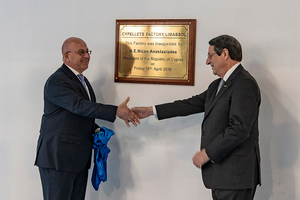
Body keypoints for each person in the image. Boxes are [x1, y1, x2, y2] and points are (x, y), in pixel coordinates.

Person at [132, 35, 261, 200]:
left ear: (225, 54)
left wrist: (207, 153)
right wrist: (151, 111)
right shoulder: (217, 85)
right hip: (223, 176)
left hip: (235, 176)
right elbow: (190, 104)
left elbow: (239, 128)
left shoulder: (244, 83)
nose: (207, 61)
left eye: (210, 55)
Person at [34, 37, 140, 200]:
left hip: (77, 159)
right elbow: (78, 106)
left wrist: (97, 130)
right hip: (58, 160)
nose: (87, 56)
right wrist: (116, 111)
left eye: (87, 51)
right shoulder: (57, 81)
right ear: (66, 57)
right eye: (81, 52)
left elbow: (76, 115)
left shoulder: (83, 80)